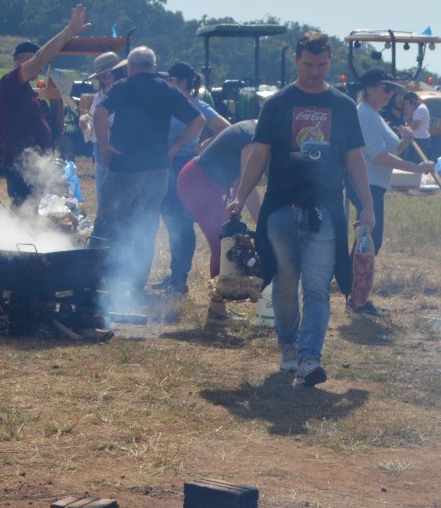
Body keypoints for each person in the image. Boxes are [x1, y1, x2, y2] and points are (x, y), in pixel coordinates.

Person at [231, 31, 376, 387]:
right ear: (297, 60)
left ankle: (310, 358)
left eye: (322, 64)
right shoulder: (278, 103)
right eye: (309, 64)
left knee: (315, 287)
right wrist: (240, 194)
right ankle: (288, 347)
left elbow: (354, 160)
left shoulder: (342, 106)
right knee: (284, 285)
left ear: (330, 62)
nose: (315, 71)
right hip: (280, 208)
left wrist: (368, 206)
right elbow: (259, 154)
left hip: (325, 211)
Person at [92, 47, 201, 308]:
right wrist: (174, 147)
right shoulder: (167, 89)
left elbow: (99, 113)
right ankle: (136, 285)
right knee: (145, 227)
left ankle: (97, 282)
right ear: (154, 67)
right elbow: (198, 121)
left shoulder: (122, 86)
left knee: (108, 224)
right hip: (157, 170)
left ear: (130, 67)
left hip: (123, 169)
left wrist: (105, 145)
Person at [351, 69, 435, 311]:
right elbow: (378, 156)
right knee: (369, 241)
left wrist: (406, 142)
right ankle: (356, 297)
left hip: (375, 184)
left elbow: (392, 151)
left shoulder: (375, 115)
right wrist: (416, 169)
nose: (390, 94)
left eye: (392, 90)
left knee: (368, 242)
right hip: (366, 185)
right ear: (369, 88)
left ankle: (357, 295)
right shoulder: (365, 115)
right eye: (385, 88)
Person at [0, 4, 89, 204]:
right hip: (21, 164)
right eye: (28, 61)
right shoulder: (10, 81)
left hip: (37, 164)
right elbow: (40, 59)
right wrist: (69, 31)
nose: (36, 66)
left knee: (38, 211)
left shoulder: (28, 90)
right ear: (17, 62)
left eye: (34, 61)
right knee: (24, 213)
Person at [152, 63, 230, 294]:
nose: (167, 83)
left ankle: (179, 279)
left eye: (171, 79)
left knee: (180, 224)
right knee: (172, 222)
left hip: (183, 168)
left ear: (183, 83)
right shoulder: (169, 103)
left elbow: (226, 129)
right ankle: (176, 275)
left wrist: (203, 146)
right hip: (166, 167)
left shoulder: (198, 106)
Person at [177, 119, 260, 321]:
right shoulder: (252, 137)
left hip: (200, 181)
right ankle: (217, 310)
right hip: (198, 182)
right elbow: (248, 186)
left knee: (224, 241)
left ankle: (218, 308)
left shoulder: (251, 130)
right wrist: (262, 223)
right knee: (223, 244)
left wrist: (235, 203)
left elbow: (241, 178)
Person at [79, 51, 126, 201]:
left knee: (116, 201)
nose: (103, 79)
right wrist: (85, 120)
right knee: (103, 200)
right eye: (100, 77)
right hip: (99, 149)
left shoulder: (125, 93)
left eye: (106, 75)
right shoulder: (101, 93)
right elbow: (94, 116)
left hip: (116, 149)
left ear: (118, 72)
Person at [404, 90, 436, 161]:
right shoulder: (417, 109)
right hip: (415, 138)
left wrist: (409, 116)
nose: (406, 106)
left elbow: (413, 127)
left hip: (420, 139)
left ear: (413, 101)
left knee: (416, 161)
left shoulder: (420, 109)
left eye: (407, 104)